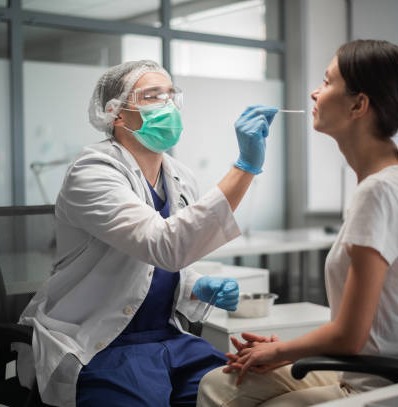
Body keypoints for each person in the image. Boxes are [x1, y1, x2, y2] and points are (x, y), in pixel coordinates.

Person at [14, 60, 278, 407]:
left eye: (171, 95)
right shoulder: (92, 172)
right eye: (152, 97)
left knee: (250, 392)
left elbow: (156, 263)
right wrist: (244, 168)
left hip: (169, 339)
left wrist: (193, 285)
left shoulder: (180, 177)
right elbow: (164, 245)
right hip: (101, 345)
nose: (167, 105)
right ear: (116, 114)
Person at [197, 39, 398, 407]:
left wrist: (281, 352)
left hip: (379, 384)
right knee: (220, 384)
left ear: (359, 105)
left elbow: (350, 336)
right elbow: (364, 328)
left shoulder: (379, 191)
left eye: (327, 82)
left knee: (229, 390)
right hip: (375, 365)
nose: (314, 92)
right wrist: (286, 348)